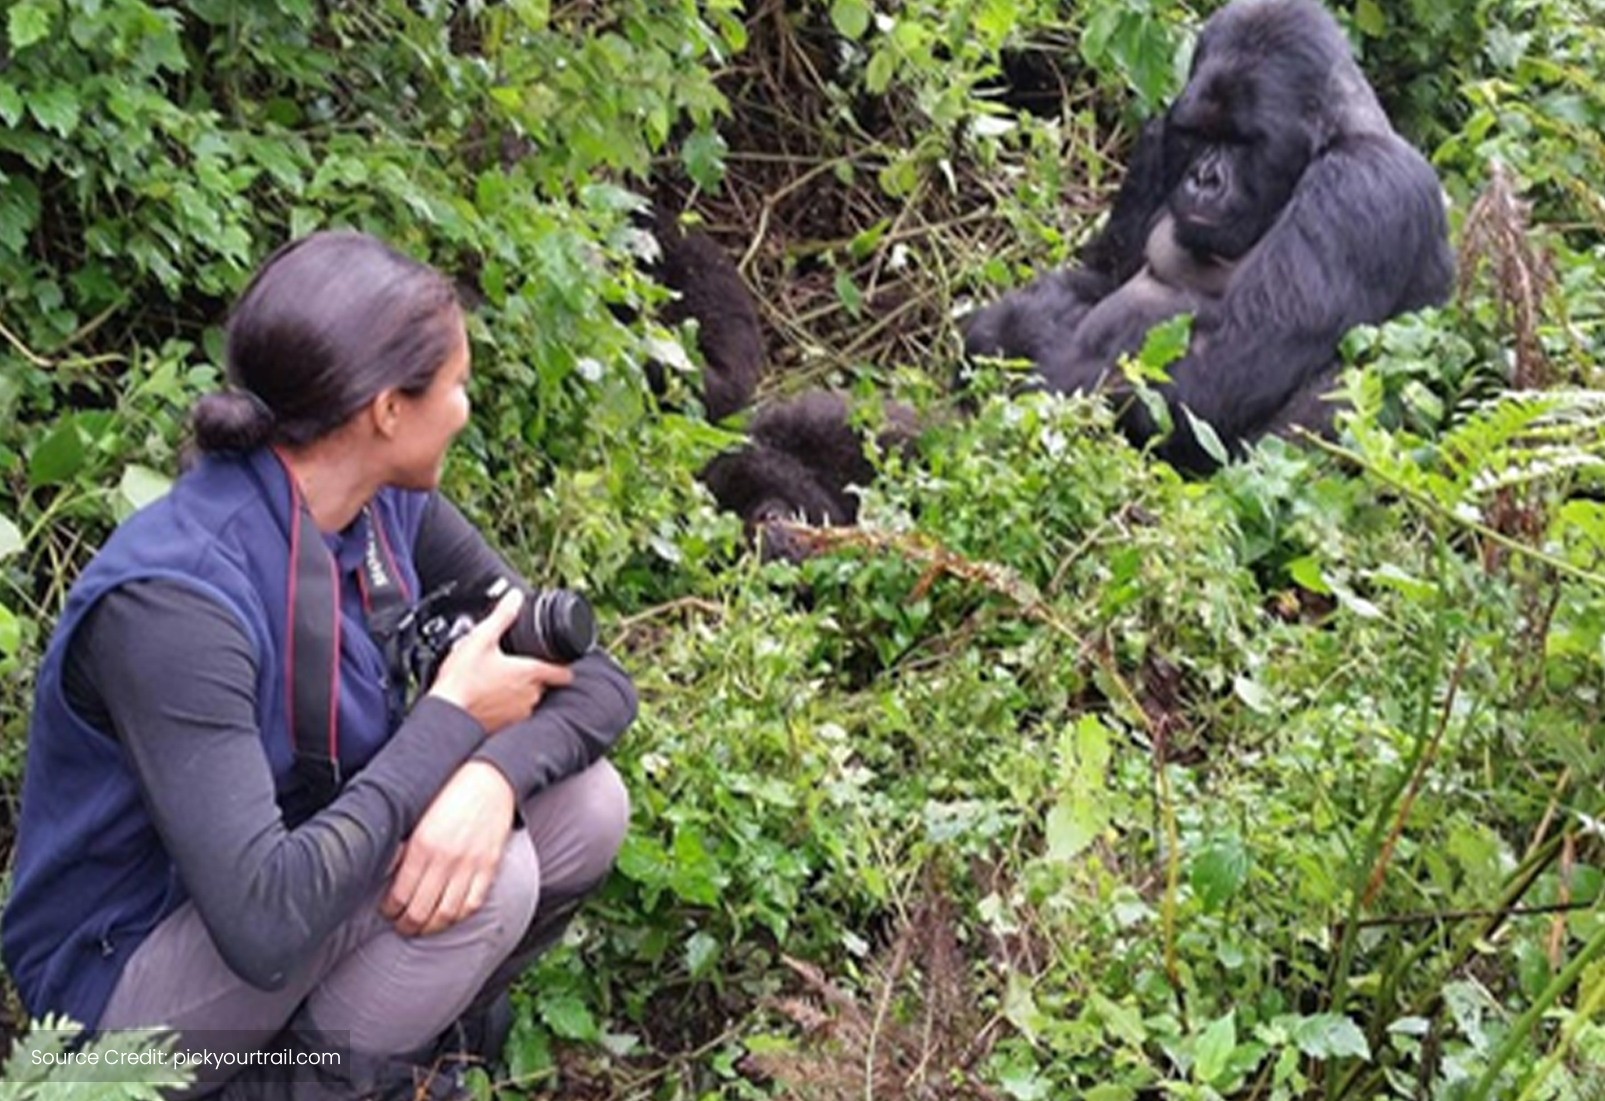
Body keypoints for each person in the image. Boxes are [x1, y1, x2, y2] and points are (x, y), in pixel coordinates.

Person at [1, 231, 637, 1098]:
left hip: (297, 878)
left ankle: (386, 1059)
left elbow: (595, 681)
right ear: (386, 409)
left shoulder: (385, 511)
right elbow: (263, 918)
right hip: (118, 1005)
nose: (463, 407)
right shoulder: (175, 603)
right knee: (492, 880)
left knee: (584, 805)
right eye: (456, 385)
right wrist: (451, 719)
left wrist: (488, 776)